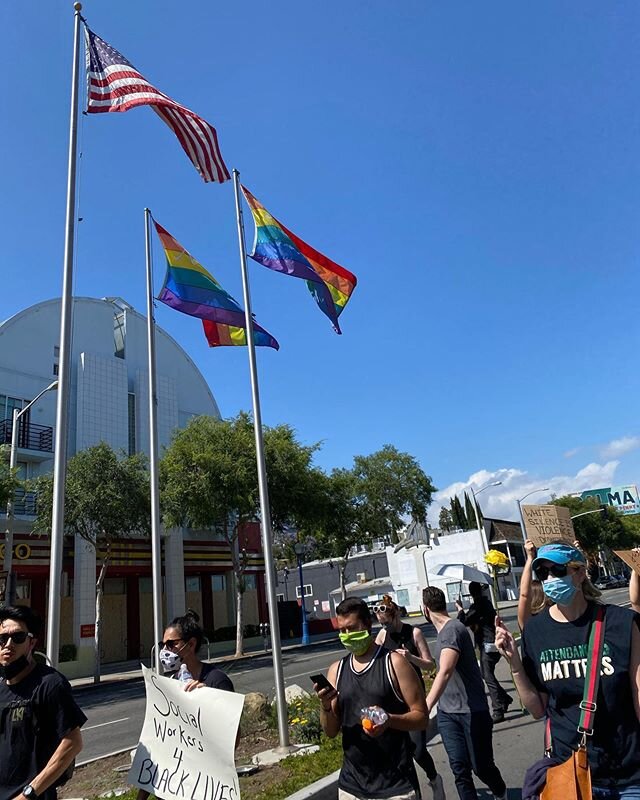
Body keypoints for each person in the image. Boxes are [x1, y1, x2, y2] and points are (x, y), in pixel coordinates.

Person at [495, 542, 640, 798]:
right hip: (569, 773)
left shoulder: (623, 623)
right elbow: (538, 709)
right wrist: (514, 664)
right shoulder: (536, 632)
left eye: (558, 570)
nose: (550, 578)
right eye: (543, 573)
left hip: (628, 775)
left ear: (580, 573)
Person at [314, 597, 428, 800]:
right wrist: (325, 706)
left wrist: (388, 720)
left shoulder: (394, 663)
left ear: (367, 624)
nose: (347, 636)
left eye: (352, 628)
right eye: (342, 630)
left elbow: (421, 717)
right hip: (351, 787)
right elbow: (331, 732)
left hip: (396, 786)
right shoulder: (336, 671)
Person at [137, 610, 235, 800]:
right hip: (172, 788)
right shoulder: (169, 684)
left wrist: (207, 700)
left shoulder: (216, 681)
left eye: (171, 644)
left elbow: (233, 739)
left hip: (203, 787)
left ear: (191, 644)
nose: (165, 650)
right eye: (162, 644)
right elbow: (159, 743)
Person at [422, 586, 507, 800]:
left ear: (425, 609)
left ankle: (500, 792)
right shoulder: (445, 632)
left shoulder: (452, 630)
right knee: (459, 769)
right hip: (448, 714)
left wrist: (426, 705)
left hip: (472, 711)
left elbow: (446, 670)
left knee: (481, 767)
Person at [0, 605, 86, 800]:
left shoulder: (50, 684)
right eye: (2, 638)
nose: (8, 644)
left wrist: (29, 794)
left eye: (18, 637)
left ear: (32, 643)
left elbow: (73, 743)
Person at [374, 595, 446, 800]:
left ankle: (434, 779)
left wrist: (410, 658)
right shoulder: (381, 636)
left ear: (395, 614)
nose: (385, 626)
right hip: (392, 698)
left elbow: (430, 664)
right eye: (381, 623)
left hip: (414, 698)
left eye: (387, 622)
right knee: (400, 754)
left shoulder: (414, 633)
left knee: (418, 750)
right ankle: (413, 793)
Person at [455, 582, 513, 723]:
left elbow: (463, 621)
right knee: (486, 673)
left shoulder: (478, 605)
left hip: (488, 645)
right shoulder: (485, 603)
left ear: (471, 593)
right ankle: (504, 698)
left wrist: (460, 609)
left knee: (487, 676)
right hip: (491, 643)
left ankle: (498, 709)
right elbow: (476, 622)